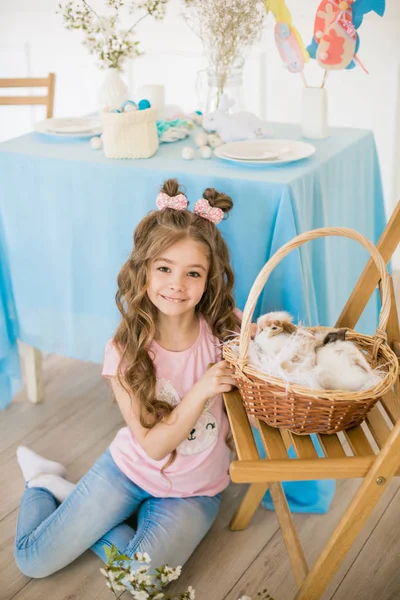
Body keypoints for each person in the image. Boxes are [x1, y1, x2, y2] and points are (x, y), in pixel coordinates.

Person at [14, 178, 240, 578]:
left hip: (195, 491)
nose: (176, 284)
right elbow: (152, 447)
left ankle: (76, 503)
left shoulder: (224, 331)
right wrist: (204, 387)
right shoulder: (124, 351)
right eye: (165, 268)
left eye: (193, 273)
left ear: (209, 279)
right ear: (145, 272)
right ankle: (44, 484)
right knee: (33, 561)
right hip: (131, 470)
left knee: (144, 583)